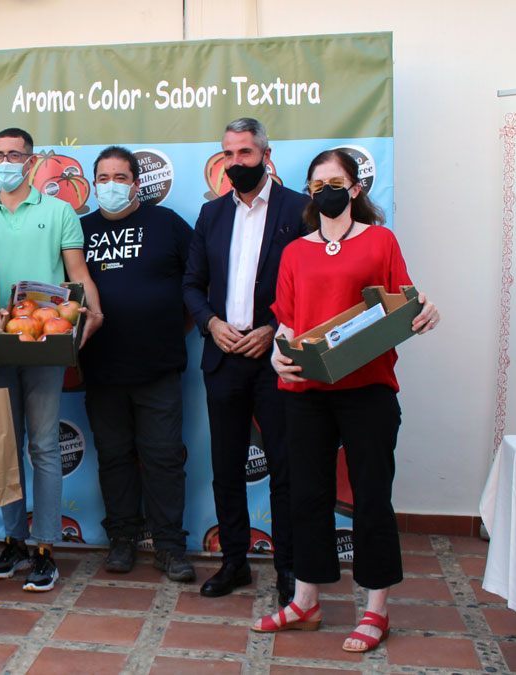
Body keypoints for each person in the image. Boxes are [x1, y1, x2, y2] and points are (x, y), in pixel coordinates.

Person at [251, 149, 439, 653]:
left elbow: (405, 302)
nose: (324, 192)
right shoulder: (295, 251)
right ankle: (306, 600)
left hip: (369, 390)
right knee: (306, 496)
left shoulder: (380, 240)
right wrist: (277, 357)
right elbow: (286, 323)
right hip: (305, 393)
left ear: (355, 189)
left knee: (371, 496)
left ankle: (376, 610)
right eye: (315, 185)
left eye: (334, 182)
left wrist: (426, 310)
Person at [0, 127, 104, 592]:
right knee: (5, 446)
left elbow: (77, 274)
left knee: (43, 445)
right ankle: (13, 541)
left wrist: (94, 312)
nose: (4, 161)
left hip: (46, 344)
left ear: (30, 160)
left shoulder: (61, 210)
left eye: (13, 155)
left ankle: (45, 546)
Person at [181, 118, 305, 605]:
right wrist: (211, 324)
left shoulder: (299, 209)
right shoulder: (211, 215)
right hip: (223, 356)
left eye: (246, 154)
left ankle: (288, 570)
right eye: (229, 154)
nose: (236, 163)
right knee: (226, 467)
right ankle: (234, 562)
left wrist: (272, 329)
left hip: (277, 357)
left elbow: (311, 285)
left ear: (266, 156)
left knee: (285, 466)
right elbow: (191, 283)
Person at [79, 146, 195, 581]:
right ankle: (123, 540)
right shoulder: (80, 230)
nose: (111, 185)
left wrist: (171, 330)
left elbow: (197, 286)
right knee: (114, 458)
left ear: (136, 182)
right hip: (102, 368)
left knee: (164, 458)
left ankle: (170, 547)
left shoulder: (166, 225)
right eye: (103, 178)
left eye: (120, 177)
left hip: (158, 369)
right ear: (94, 183)